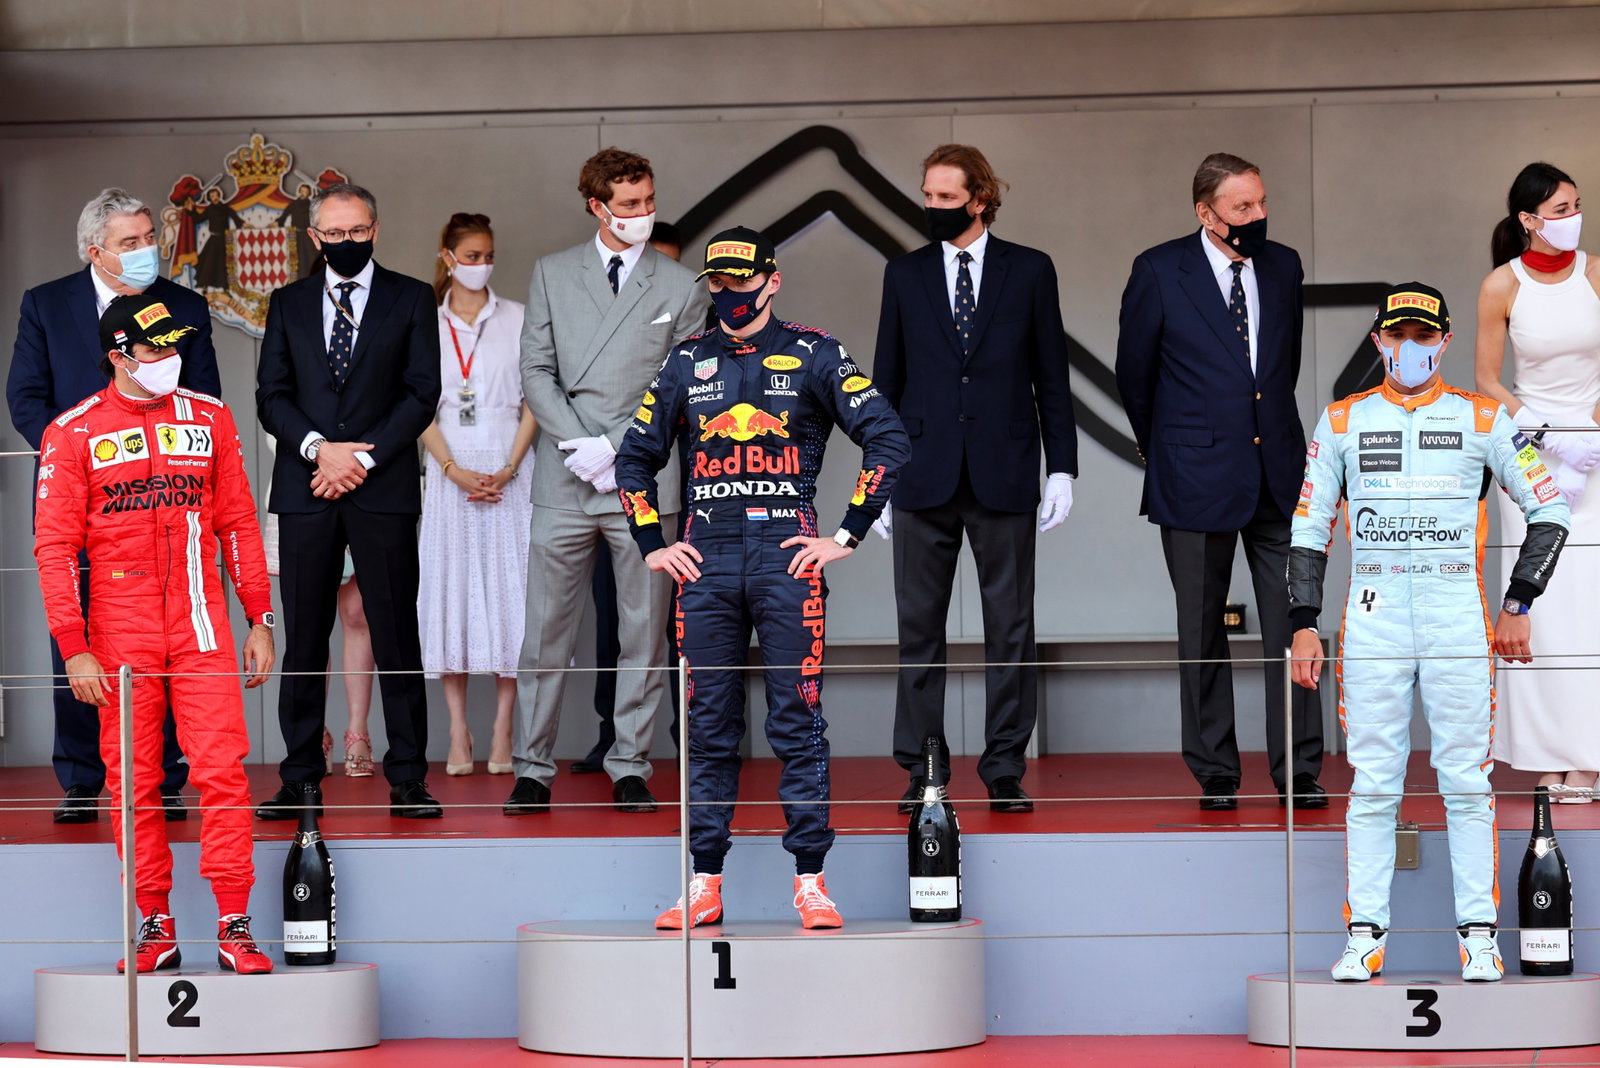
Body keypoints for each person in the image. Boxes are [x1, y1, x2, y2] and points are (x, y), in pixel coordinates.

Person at [616, 227, 910, 929]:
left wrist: (844, 535)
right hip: (707, 563)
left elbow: (888, 437)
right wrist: (653, 541)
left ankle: (811, 880)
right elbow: (634, 459)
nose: (729, 293)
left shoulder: (815, 351)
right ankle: (703, 882)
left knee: (796, 719)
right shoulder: (685, 362)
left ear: (772, 280)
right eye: (716, 281)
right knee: (708, 724)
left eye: (742, 281)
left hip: (787, 561)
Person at [1290, 283, 1570, 982]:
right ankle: (1364, 937)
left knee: (1468, 784)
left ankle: (1479, 937)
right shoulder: (1342, 421)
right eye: (1397, 336)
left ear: (1445, 341)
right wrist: (1302, 623)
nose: (1409, 348)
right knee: (1374, 782)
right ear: (1379, 341)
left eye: (1423, 336)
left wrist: (1518, 604)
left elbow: (1551, 508)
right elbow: (1307, 528)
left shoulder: (1483, 419)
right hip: (1373, 617)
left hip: (1456, 615)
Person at [33, 294, 278, 974]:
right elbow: (53, 549)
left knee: (222, 774)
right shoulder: (72, 432)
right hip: (118, 634)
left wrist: (260, 616)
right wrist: (73, 645)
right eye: (155, 349)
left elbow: (237, 523)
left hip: (202, 625)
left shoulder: (211, 418)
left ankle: (235, 923)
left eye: (176, 346)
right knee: (133, 783)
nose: (172, 358)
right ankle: (154, 924)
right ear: (118, 356)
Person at [1116, 152, 1325, 811]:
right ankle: (1215, 771)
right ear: (1206, 213)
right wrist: (1173, 451)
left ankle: (1299, 768)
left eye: (1262, 203)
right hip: (1192, 472)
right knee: (1201, 626)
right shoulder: (1158, 270)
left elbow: (1279, 371)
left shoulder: (1284, 264)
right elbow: (1135, 378)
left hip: (1277, 470)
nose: (1258, 216)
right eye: (1242, 208)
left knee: (1294, 624)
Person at [874, 144, 1077, 815]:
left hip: (1006, 469)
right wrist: (877, 477)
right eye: (927, 195)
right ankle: (923, 770)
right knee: (919, 633)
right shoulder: (904, 275)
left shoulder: (1030, 270)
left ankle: (1005, 768)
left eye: (944, 197)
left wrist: (1063, 467)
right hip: (921, 475)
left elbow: (1051, 376)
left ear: (980, 198)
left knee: (1011, 627)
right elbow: (886, 383)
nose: (931, 207)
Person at [505, 147, 709, 816]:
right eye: (628, 205)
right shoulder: (552, 273)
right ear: (596, 205)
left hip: (641, 477)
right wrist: (576, 442)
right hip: (565, 476)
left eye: (649, 201)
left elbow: (677, 389)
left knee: (644, 631)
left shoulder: (682, 285)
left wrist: (615, 451)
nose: (643, 214)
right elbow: (535, 369)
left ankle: (630, 762)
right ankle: (531, 766)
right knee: (545, 631)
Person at [7, 187, 219, 824]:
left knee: (171, 636)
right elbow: (26, 400)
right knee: (76, 637)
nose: (146, 251)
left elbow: (204, 398)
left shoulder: (184, 306)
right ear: (95, 251)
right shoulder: (46, 304)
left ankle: (166, 776)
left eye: (149, 237)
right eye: (130, 243)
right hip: (81, 501)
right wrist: (87, 459)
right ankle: (80, 779)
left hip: (164, 504)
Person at [255, 181, 444, 820]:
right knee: (305, 639)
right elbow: (270, 396)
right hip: (306, 488)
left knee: (396, 635)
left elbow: (421, 395)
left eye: (356, 232)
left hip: (381, 487)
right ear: (314, 238)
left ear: (375, 229)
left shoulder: (412, 298)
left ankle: (409, 778)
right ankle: (301, 776)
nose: (345, 243)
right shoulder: (287, 302)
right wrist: (319, 450)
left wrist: (359, 459)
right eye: (332, 235)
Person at [1475, 162, 1600, 803]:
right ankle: (1551, 755)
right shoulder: (1502, 285)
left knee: (1591, 600)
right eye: (1558, 208)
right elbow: (1490, 380)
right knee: (1540, 604)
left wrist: (1591, 435)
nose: (1572, 217)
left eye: (1576, 205)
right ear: (1528, 220)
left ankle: (1591, 755)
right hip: (1534, 453)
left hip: (1598, 451)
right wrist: (1548, 435)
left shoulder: (1597, 272)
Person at [418, 212, 535, 776]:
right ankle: (458, 730)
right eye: (470, 256)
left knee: (513, 595)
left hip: (511, 466)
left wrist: (511, 464)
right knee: (452, 593)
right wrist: (450, 467)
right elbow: (415, 404)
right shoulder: (424, 323)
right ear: (447, 257)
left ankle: (503, 727)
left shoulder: (517, 317)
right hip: (448, 470)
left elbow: (538, 396)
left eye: (487, 255)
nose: (480, 265)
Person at [574, 217, 691, 775]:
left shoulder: (701, 315)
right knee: (615, 621)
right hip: (622, 487)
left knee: (693, 625)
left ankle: (693, 740)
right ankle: (610, 738)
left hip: (693, 494)